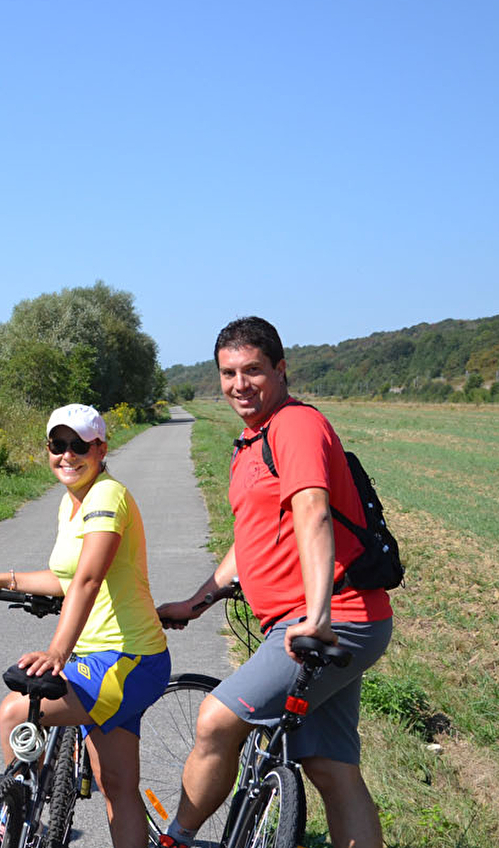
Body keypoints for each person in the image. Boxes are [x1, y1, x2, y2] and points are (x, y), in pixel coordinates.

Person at [155, 316, 393, 848]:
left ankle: (175, 840)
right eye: (229, 373)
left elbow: (313, 511)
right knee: (332, 769)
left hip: (337, 617)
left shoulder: (295, 426)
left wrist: (317, 616)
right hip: (322, 619)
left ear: (281, 370)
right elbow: (252, 540)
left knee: (217, 720)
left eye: (254, 370)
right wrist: (199, 600)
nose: (240, 384)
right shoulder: (251, 441)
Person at [0, 404, 171, 848]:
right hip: (106, 657)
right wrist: (10, 578)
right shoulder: (71, 502)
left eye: (79, 445)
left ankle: (21, 824)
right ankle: (29, 806)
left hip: (126, 658)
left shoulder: (106, 496)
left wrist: (57, 651)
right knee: (116, 783)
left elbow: (89, 578)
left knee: (14, 711)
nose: (68, 455)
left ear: (101, 448)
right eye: (58, 445)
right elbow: (65, 578)